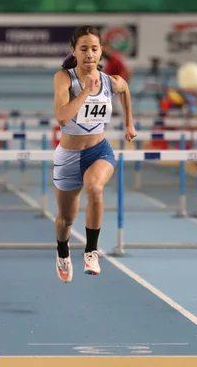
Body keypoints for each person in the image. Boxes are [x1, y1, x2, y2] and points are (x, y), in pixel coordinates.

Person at [53, 25, 136, 283]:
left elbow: (125, 89)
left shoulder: (111, 81)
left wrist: (128, 123)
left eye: (95, 49)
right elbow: (62, 118)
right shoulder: (64, 78)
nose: (90, 54)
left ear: (101, 53)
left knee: (94, 187)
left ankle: (91, 251)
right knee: (66, 219)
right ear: (74, 52)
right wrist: (87, 91)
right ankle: (63, 250)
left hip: (99, 151)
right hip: (68, 156)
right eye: (84, 49)